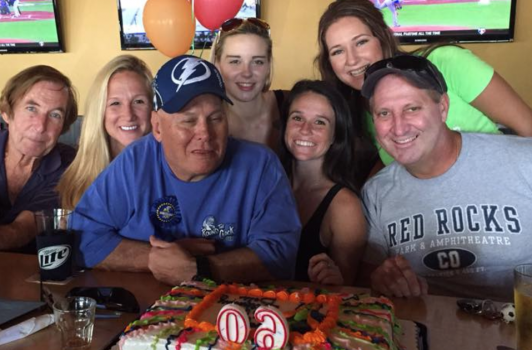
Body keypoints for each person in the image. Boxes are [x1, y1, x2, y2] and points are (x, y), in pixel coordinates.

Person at [70, 55, 301, 285]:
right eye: (188, 121)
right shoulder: (135, 162)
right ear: (158, 128)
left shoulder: (260, 165)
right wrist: (155, 259)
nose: (205, 133)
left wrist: (199, 268)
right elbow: (81, 237)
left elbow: (281, 254)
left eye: (215, 118)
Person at [360, 55, 532, 302]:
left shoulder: (524, 161)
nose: (398, 128)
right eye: (384, 113)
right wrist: (383, 280)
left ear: (443, 108)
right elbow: (367, 283)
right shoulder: (376, 193)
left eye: (412, 108)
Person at [317, 0, 532, 168]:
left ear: (382, 38)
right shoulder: (354, 111)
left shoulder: (446, 62)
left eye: (361, 42)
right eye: (338, 51)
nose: (352, 60)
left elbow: (528, 128)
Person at [280, 80, 366, 285]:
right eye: (297, 118)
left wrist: (335, 281)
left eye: (320, 122)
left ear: (336, 135)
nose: (305, 129)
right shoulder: (266, 185)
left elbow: (348, 293)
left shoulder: (345, 207)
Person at [57, 55, 153, 210]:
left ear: (152, 108)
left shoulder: (173, 169)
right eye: (115, 103)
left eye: (139, 101)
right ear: (99, 111)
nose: (128, 115)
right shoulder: (70, 174)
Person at [0, 65, 78, 252]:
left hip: (32, 274)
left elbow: (23, 229)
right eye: (31, 109)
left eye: (55, 115)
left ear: (63, 126)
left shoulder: (70, 166)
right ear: (6, 113)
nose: (41, 126)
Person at [211, 17, 284, 152]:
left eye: (257, 62)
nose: (246, 73)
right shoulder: (205, 123)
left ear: (268, 65)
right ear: (217, 65)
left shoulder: (291, 105)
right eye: (235, 61)